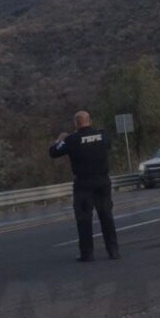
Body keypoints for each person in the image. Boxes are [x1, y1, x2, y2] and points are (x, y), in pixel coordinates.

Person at [49, 111, 120, 262]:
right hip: (102, 181)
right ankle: (113, 250)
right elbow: (109, 144)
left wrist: (59, 140)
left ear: (76, 124)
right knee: (106, 216)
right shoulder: (102, 135)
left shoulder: (71, 139)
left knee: (84, 220)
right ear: (90, 121)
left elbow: (53, 152)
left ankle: (87, 254)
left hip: (83, 184)